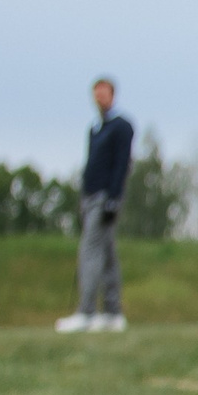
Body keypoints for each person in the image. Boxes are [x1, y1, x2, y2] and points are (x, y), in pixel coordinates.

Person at [56, 78, 133, 334]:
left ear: (113, 95)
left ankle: (86, 312)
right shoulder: (95, 129)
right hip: (90, 196)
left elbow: (122, 163)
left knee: (90, 251)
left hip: (105, 197)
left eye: (104, 93)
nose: (99, 98)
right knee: (108, 254)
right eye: (96, 94)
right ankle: (112, 313)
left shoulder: (121, 127)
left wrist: (114, 197)